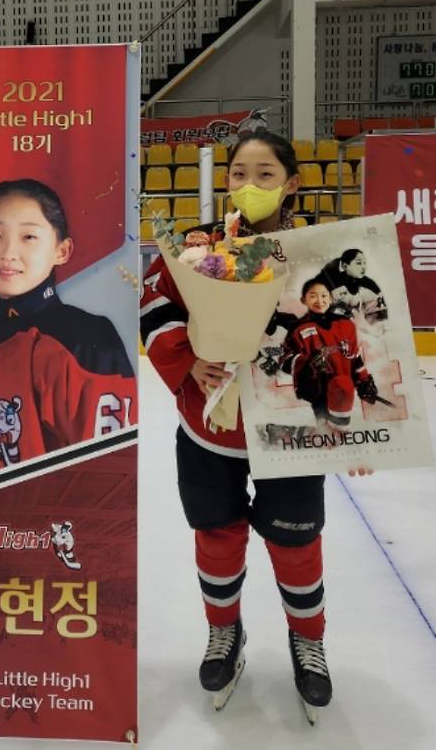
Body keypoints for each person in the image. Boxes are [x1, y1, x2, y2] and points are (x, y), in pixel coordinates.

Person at [140, 130, 371, 722]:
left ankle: (307, 639)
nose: (248, 185)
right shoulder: (200, 246)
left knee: (295, 539)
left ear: (291, 183)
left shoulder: (319, 250)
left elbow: (354, 337)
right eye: (238, 173)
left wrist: (367, 428)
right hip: (209, 427)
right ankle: (225, 633)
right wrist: (185, 355)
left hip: (288, 429)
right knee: (215, 534)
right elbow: (155, 304)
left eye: (264, 174)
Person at [0, 178, 136, 492]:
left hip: (37, 535)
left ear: (62, 250)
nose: (8, 252)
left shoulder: (85, 339)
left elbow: (109, 474)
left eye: (28, 236)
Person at [281, 278, 379, 434]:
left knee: (336, 426)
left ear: (331, 298)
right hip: (317, 389)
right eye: (313, 295)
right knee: (328, 429)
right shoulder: (298, 329)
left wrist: (364, 380)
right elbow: (285, 361)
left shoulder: (346, 324)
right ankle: (322, 434)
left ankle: (331, 434)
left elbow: (354, 357)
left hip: (343, 388)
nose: (319, 300)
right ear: (303, 300)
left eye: (324, 295)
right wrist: (307, 364)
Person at [318, 248, 387, 323]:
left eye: (365, 263)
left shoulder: (369, 283)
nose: (363, 267)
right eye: (359, 263)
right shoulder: (334, 281)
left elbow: (381, 305)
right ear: (345, 266)